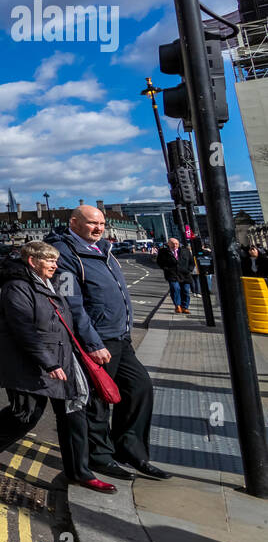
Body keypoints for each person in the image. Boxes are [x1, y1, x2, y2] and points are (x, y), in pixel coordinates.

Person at [0, 242, 113, 493]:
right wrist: (48, 362)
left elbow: (71, 313)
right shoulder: (16, 287)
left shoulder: (58, 281)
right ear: (32, 261)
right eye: (49, 260)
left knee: (74, 415)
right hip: (27, 362)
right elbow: (23, 330)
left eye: (55, 260)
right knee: (26, 414)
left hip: (64, 357)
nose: (55, 265)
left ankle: (80, 473)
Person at [48, 205, 171, 481]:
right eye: (93, 223)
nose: (99, 227)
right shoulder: (65, 253)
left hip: (120, 336)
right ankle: (100, 457)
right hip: (97, 339)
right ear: (75, 222)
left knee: (140, 388)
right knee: (98, 402)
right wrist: (92, 342)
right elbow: (72, 305)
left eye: (102, 223)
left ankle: (129, 449)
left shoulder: (102, 249)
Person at [156, 237, 194, 315]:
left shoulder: (185, 251)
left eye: (176, 243)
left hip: (185, 274)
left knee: (185, 290)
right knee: (175, 288)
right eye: (172, 244)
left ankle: (185, 307)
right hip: (172, 274)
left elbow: (191, 262)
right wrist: (166, 269)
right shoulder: (163, 252)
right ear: (168, 244)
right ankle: (178, 306)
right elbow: (159, 262)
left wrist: (189, 270)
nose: (175, 245)